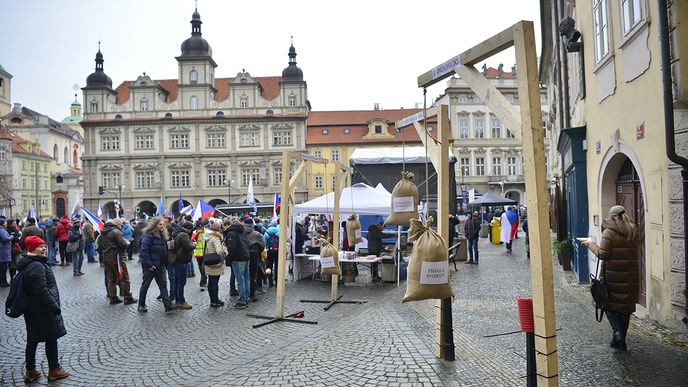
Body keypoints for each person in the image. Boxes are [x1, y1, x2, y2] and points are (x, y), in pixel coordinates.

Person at [580, 205, 639, 351]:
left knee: (608, 304)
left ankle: (617, 332)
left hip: (612, 276)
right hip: (630, 275)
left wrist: (590, 244)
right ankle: (620, 341)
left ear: (612, 216)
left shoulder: (609, 232)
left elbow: (603, 254)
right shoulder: (632, 230)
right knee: (625, 308)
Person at [17, 236, 70, 383]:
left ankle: (30, 371)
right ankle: (54, 370)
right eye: (40, 247)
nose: (44, 248)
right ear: (32, 249)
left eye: (44, 245)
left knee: (32, 339)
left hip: (34, 309)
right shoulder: (36, 265)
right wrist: (54, 307)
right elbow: (41, 291)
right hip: (42, 309)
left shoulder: (33, 262)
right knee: (51, 338)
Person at [137, 218, 175, 313]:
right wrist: (149, 265)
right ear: (154, 225)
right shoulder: (148, 236)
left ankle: (167, 305)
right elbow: (144, 251)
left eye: (163, 224)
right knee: (145, 285)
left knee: (163, 285)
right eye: (160, 224)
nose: (162, 226)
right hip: (150, 267)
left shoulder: (162, 236)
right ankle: (141, 305)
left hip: (161, 265)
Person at [98, 219, 137, 305]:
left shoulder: (102, 232)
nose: (121, 227)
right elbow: (123, 244)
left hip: (106, 258)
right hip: (117, 258)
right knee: (124, 277)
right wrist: (127, 243)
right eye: (120, 225)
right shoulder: (116, 232)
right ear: (117, 224)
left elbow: (99, 245)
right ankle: (127, 297)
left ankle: (113, 298)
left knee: (111, 279)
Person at [225, 220, 251, 308]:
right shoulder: (242, 231)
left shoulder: (231, 233)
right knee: (246, 278)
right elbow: (247, 243)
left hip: (238, 258)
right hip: (246, 256)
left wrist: (228, 257)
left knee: (240, 280)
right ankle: (246, 297)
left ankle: (242, 300)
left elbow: (232, 247)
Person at [172, 221, 195, 310]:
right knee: (181, 282)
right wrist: (194, 245)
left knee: (177, 281)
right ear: (188, 228)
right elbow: (188, 247)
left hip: (177, 260)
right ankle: (181, 301)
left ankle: (177, 300)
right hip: (181, 260)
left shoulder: (177, 233)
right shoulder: (184, 235)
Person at [203, 222, 226, 307]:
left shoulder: (207, 236)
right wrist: (223, 257)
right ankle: (215, 300)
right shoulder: (215, 238)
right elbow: (219, 251)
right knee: (215, 282)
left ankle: (212, 300)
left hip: (208, 261)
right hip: (215, 262)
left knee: (211, 281)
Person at [243, 217, 265, 301]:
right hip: (254, 255)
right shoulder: (257, 234)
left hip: (243, 255)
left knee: (243, 275)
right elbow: (262, 246)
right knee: (252, 275)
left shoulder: (241, 233)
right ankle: (252, 294)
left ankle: (244, 293)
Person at [263, 220, 280, 288]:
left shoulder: (267, 232)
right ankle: (277, 282)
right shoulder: (279, 231)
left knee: (269, 266)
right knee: (277, 267)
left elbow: (264, 243)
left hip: (269, 251)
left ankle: (270, 282)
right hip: (278, 251)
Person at [191, 222, 207, 290]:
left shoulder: (207, 231)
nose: (200, 229)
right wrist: (197, 233)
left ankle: (203, 282)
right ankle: (204, 280)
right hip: (198, 253)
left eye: (201, 227)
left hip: (205, 253)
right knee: (200, 268)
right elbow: (192, 239)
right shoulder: (195, 232)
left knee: (203, 268)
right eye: (199, 227)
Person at [0, 217, 13, 287]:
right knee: (3, 269)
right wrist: (11, 236)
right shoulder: (2, 230)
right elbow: (5, 239)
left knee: (2, 268)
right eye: (4, 222)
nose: (5, 223)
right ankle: (3, 282)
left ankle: (2, 282)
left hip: (2, 252)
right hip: (3, 252)